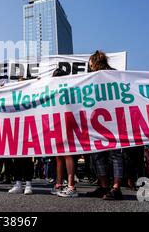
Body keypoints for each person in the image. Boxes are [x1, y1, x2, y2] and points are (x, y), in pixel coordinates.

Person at [85, 51, 124, 200]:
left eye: (90, 62)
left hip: (110, 119)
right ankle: (107, 187)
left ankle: (113, 187)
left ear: (94, 62)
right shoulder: (91, 77)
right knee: (99, 154)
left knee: (111, 154)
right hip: (100, 119)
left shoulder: (109, 75)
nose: (89, 65)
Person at [49, 68, 79, 198]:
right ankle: (59, 184)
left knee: (67, 154)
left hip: (66, 123)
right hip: (57, 123)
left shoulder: (68, 90)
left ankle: (71, 186)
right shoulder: (52, 90)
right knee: (59, 155)